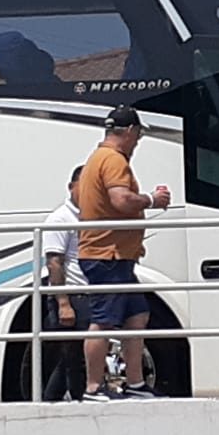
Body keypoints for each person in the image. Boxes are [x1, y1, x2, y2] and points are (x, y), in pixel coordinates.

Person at [77, 105, 171, 402]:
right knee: (103, 321)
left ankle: (135, 384)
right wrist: (152, 200)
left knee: (137, 315)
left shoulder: (97, 158)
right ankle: (93, 387)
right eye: (139, 134)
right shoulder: (113, 160)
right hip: (108, 256)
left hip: (114, 255)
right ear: (130, 131)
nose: (138, 141)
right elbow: (121, 200)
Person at [41, 165, 88, 401]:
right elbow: (54, 263)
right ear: (71, 187)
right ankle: (80, 399)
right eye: (84, 184)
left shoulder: (88, 216)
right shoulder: (60, 218)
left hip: (84, 295)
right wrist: (63, 303)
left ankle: (51, 401)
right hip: (71, 296)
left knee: (71, 356)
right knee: (73, 357)